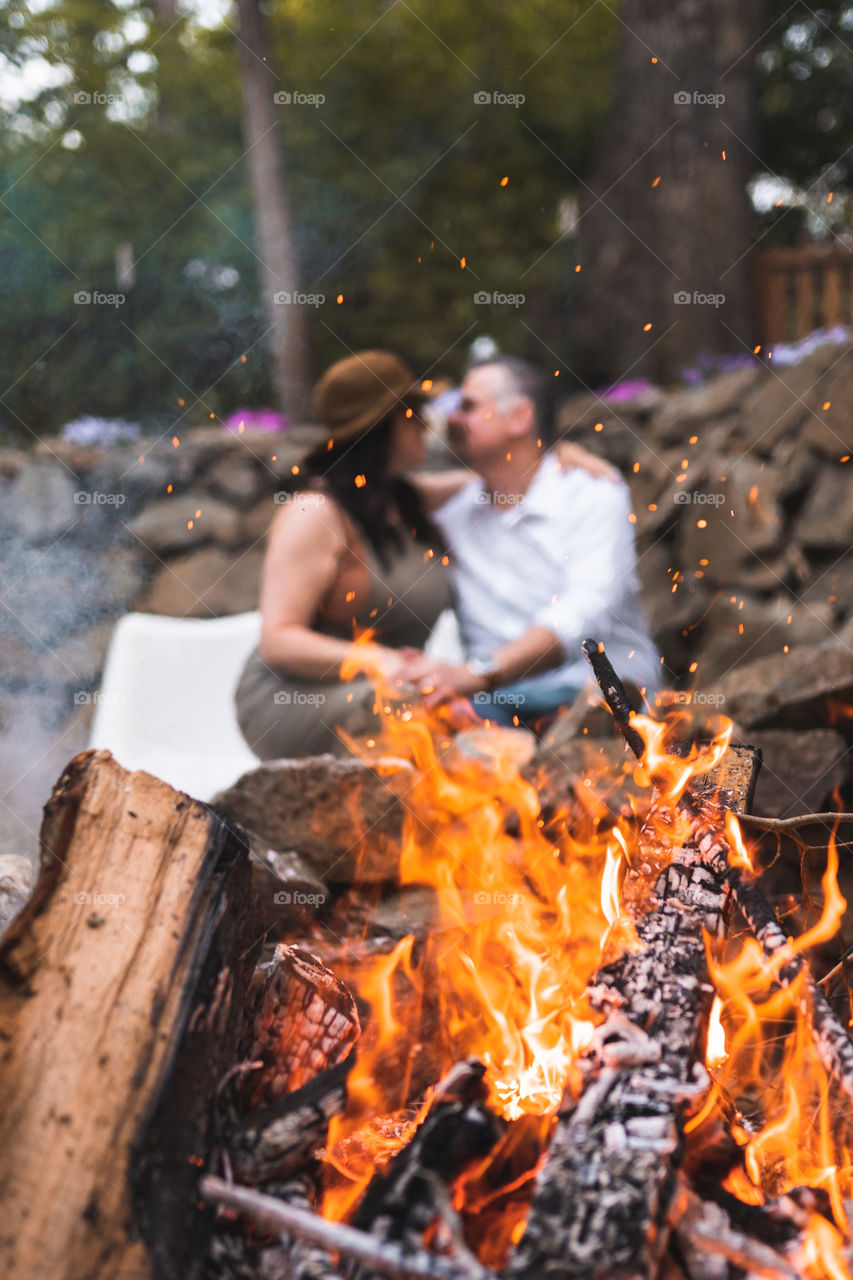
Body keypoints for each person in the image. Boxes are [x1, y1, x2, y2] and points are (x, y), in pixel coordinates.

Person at [235, 350, 616, 759]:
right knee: (420, 716)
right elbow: (278, 640)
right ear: (380, 426)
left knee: (444, 721)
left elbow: (504, 475)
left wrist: (555, 457)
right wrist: (380, 661)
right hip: (297, 695)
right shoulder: (314, 512)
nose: (427, 422)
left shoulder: (408, 499)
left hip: (395, 689)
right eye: (411, 412)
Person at [394, 357, 661, 725]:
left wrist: (477, 672)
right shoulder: (454, 513)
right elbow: (374, 490)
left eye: (468, 406)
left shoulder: (593, 494)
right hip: (491, 703)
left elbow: (585, 610)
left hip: (595, 693)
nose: (452, 418)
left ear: (520, 417)